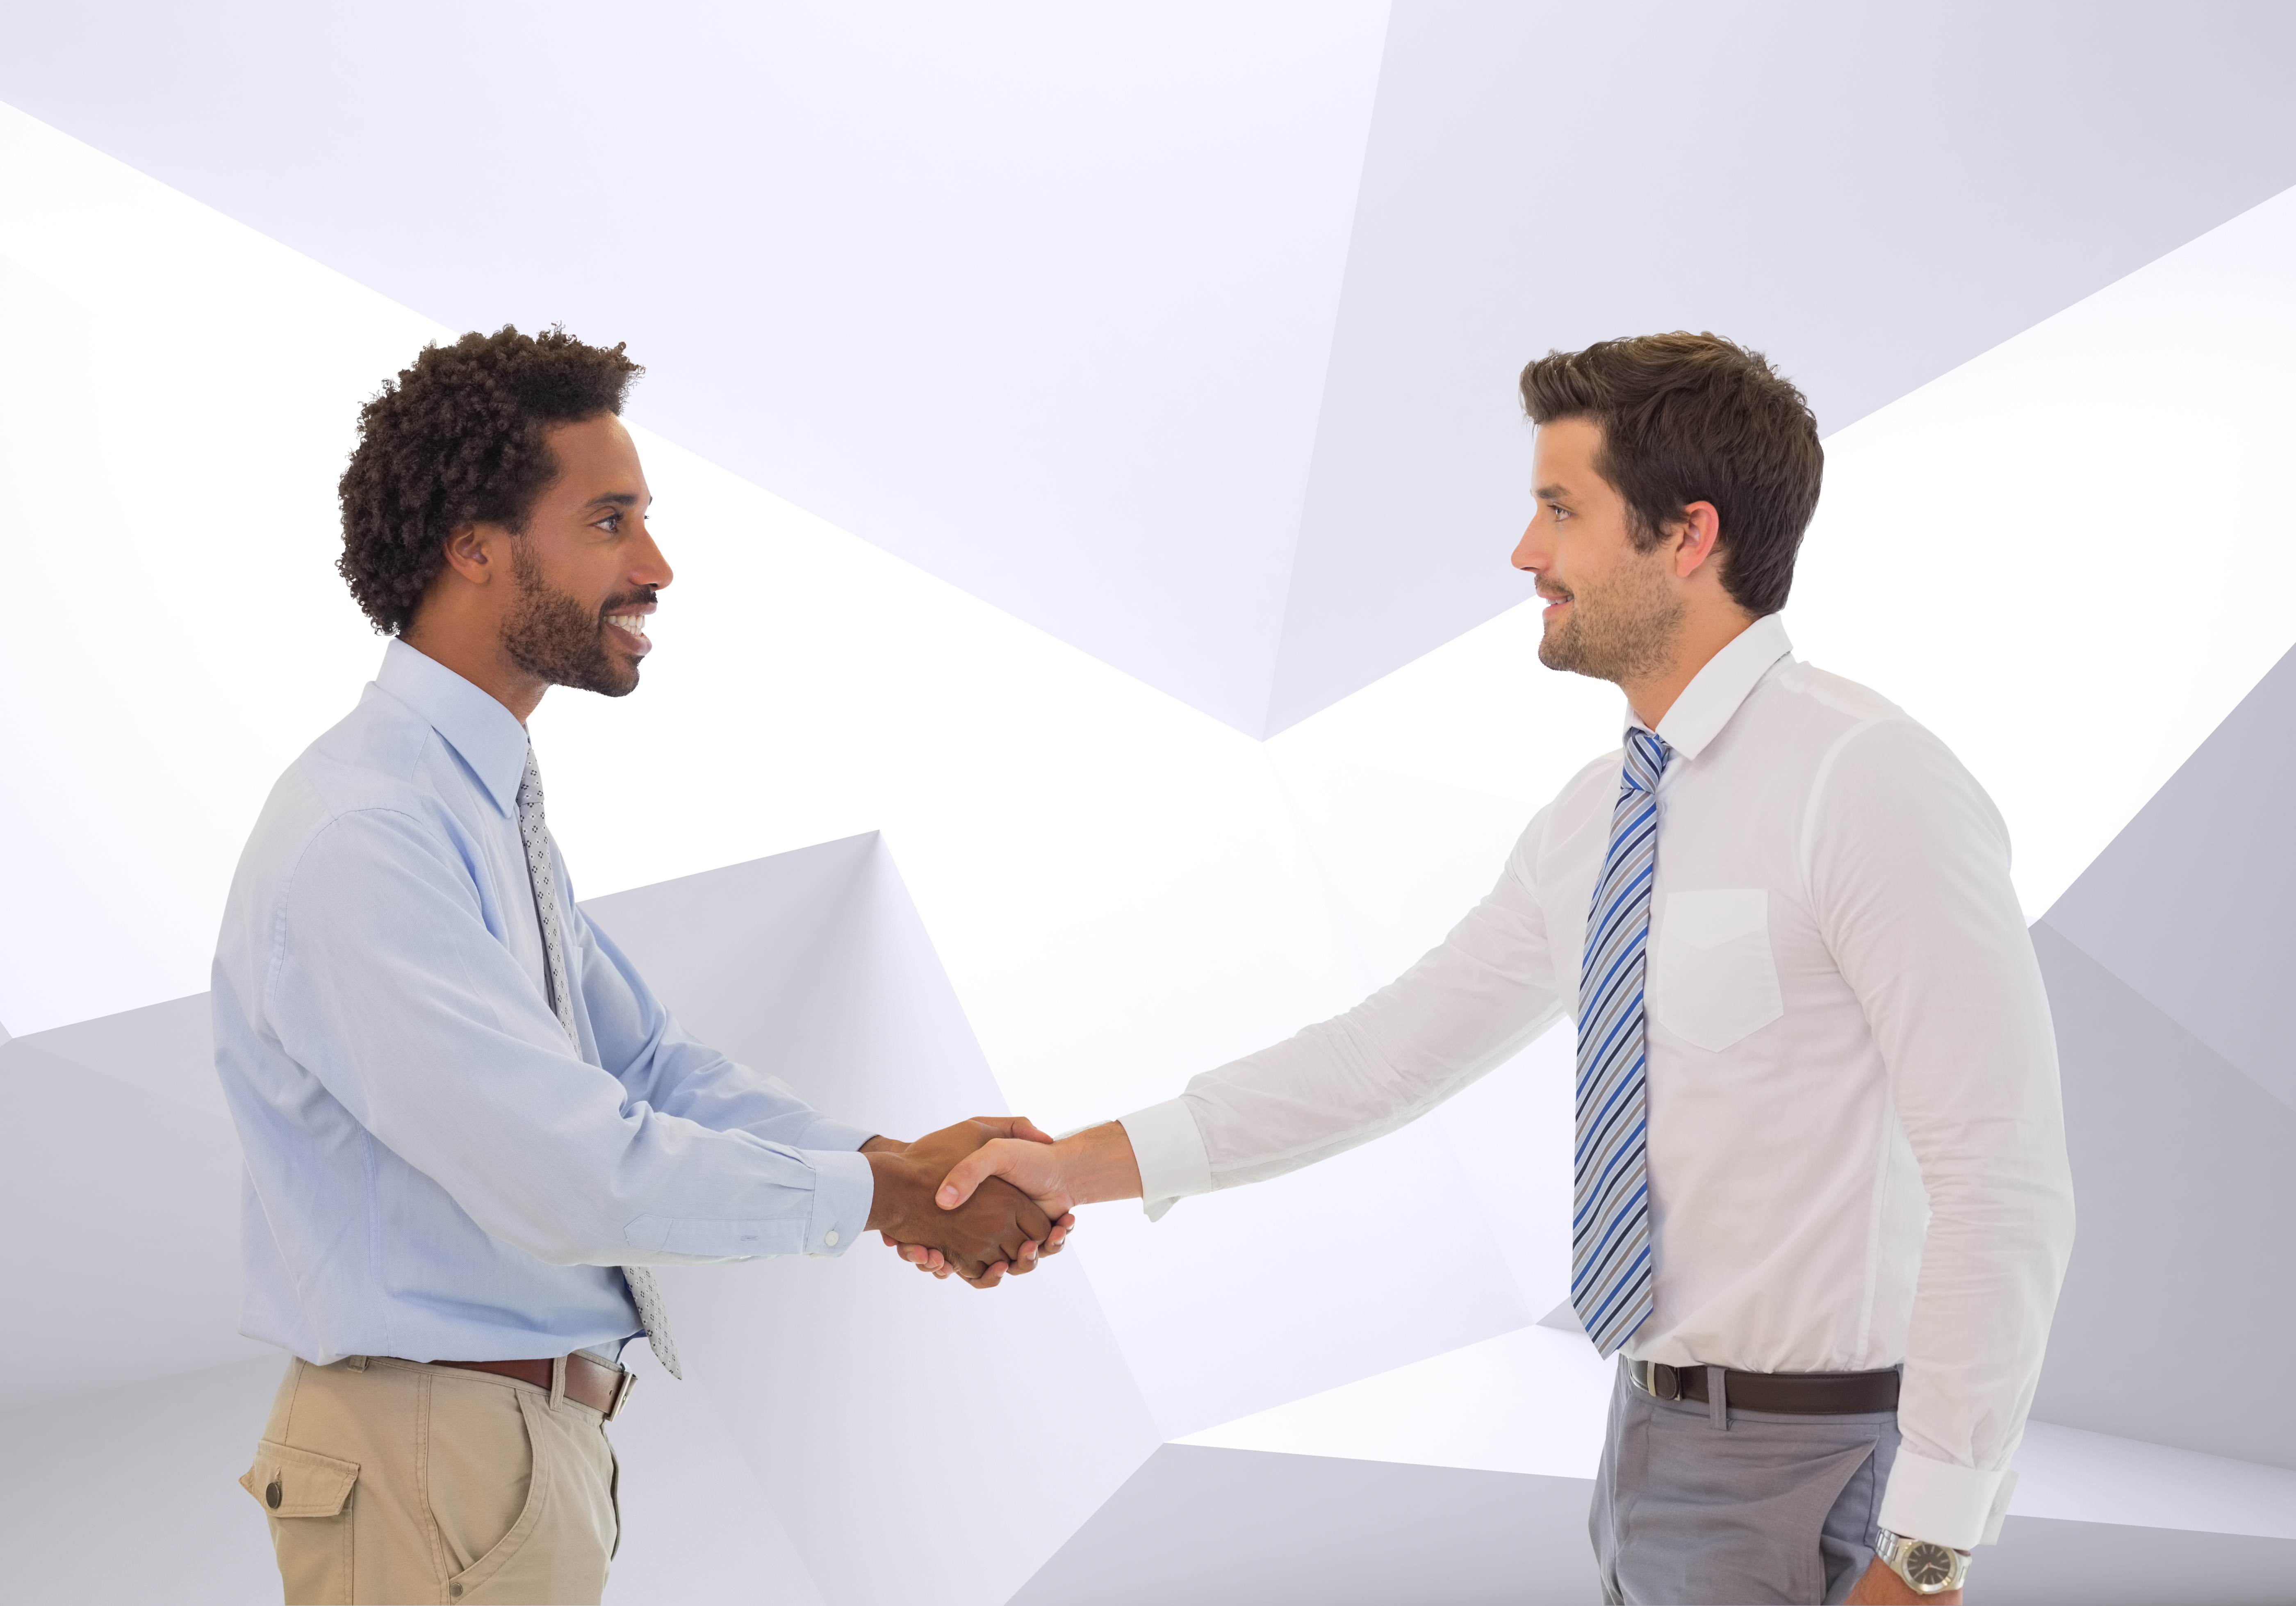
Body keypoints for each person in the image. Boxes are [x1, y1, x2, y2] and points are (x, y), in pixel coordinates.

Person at [927, 333, 2076, 1604]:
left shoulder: (1868, 783)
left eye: (1560, 510)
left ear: (1686, 536)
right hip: (1648, 1444)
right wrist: (1072, 1165)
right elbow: (1386, 1055)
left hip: (1830, 1467)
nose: (1526, 554)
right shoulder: (1598, 818)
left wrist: (1924, 1554)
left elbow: (2003, 1181)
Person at [212, 325, 1067, 1606]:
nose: (656, 566)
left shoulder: (473, 801)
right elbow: (563, 1168)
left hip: (495, 1459)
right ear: (475, 546)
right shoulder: (370, 834)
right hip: (430, 1457)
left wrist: (906, 1169)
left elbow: (649, 1067)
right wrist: (883, 1196)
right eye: (610, 521)